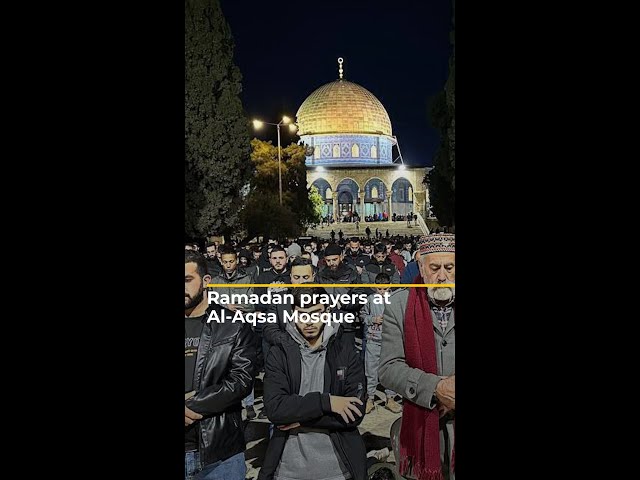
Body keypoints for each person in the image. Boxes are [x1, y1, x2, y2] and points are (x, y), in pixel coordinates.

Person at [258, 286, 368, 480]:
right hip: (288, 471)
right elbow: (275, 409)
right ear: (293, 314)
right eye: (302, 315)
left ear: (326, 312)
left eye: (315, 313)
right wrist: (326, 403)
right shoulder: (279, 353)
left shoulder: (346, 353)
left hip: (339, 471)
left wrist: (301, 418)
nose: (308, 321)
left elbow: (354, 414)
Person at [379, 234, 456, 480]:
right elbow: (389, 368)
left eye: (450, 267)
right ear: (421, 268)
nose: (442, 276)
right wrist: (434, 388)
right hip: (422, 425)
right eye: (434, 268)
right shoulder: (399, 305)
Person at [184, 250, 257, 480]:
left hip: (219, 453)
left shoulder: (233, 325)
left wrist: (195, 404)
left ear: (206, 281)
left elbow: (242, 381)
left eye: (187, 280)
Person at [361, 273, 401, 414]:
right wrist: (373, 319)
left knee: (390, 370)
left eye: (384, 289)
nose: (382, 292)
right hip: (373, 340)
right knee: (371, 370)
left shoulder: (395, 299)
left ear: (389, 286)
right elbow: (362, 316)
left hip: (390, 341)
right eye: (379, 289)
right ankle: (370, 398)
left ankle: (390, 398)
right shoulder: (370, 300)